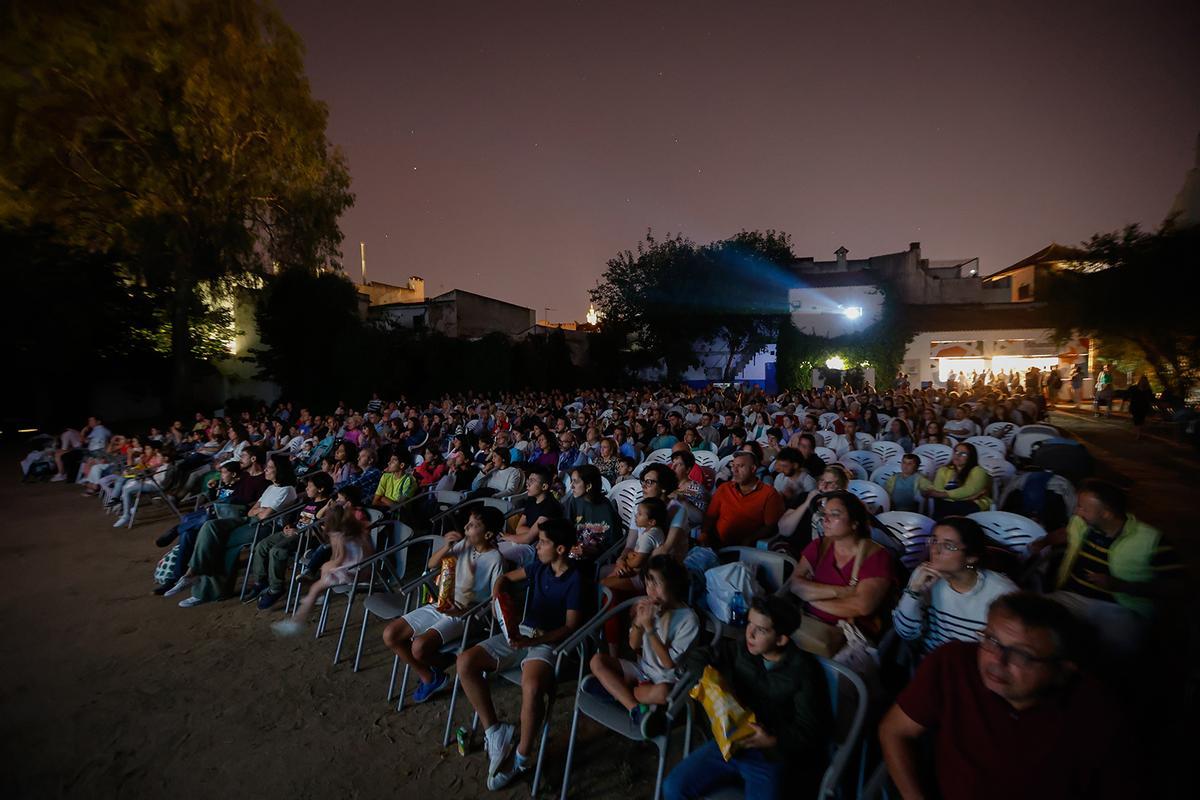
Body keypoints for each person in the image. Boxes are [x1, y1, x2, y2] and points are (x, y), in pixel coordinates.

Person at [879, 592, 1135, 800]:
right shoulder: (953, 664)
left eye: (1021, 655)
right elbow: (894, 730)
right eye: (991, 640)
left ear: (1062, 671)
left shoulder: (1094, 709)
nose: (997, 661)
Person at [456, 519, 586, 791]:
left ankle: (522, 758)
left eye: (544, 542)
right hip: (521, 632)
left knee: (532, 685)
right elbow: (504, 578)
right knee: (465, 661)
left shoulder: (575, 579)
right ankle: (495, 730)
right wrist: (497, 599)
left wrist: (532, 641)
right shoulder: (539, 567)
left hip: (547, 641)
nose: (537, 546)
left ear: (561, 549)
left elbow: (570, 626)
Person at [664, 595, 831, 800]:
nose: (749, 633)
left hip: (769, 757)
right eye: (749, 623)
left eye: (760, 630)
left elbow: (810, 731)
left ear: (781, 639)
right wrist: (710, 682)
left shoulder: (803, 671)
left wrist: (773, 740)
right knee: (674, 787)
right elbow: (699, 656)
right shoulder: (743, 649)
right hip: (731, 743)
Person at [1038, 479, 1181, 661]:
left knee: (1114, 650)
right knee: (1036, 621)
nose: (1076, 512)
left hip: (1121, 609)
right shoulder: (1081, 523)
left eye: (1083, 508)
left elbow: (1178, 587)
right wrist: (1041, 542)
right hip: (1071, 597)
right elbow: (1065, 533)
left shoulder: (1151, 540)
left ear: (1106, 514)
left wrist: (1122, 586)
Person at [381, 506, 506, 702]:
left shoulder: (495, 559)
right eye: (468, 522)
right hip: (442, 604)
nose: (466, 526)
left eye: (473, 525)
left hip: (468, 614)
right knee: (391, 635)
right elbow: (431, 565)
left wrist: (464, 610)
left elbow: (494, 600)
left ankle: (442, 663)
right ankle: (430, 676)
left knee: (419, 648)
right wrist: (447, 546)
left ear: (488, 533)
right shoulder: (463, 545)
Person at [168, 452, 298, 607]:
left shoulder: (287, 490)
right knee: (210, 526)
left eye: (270, 468)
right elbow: (252, 511)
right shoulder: (271, 488)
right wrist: (261, 509)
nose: (266, 470)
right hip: (250, 520)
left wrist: (260, 510)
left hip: (266, 527)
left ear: (280, 470)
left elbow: (264, 516)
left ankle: (203, 590)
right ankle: (193, 572)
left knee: (219, 544)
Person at [588, 555, 700, 730]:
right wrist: (638, 623)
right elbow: (633, 645)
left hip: (665, 680)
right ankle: (635, 708)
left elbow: (669, 663)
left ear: (673, 584)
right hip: (642, 670)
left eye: (656, 584)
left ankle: (617, 691)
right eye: (648, 584)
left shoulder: (689, 620)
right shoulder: (649, 608)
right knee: (597, 661)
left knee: (663, 693)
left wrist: (650, 628)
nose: (650, 591)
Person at [782, 491, 897, 657]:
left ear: (854, 523)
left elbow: (861, 606)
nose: (825, 520)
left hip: (847, 638)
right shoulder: (819, 546)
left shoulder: (876, 557)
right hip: (809, 627)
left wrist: (811, 598)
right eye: (825, 514)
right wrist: (841, 592)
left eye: (834, 515)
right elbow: (795, 583)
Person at [893, 517, 1017, 654]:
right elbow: (905, 633)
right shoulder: (924, 575)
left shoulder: (1001, 593)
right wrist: (913, 591)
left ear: (971, 557)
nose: (935, 550)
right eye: (934, 541)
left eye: (948, 546)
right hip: (934, 662)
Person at [272, 504, 376, 636]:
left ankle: (297, 622)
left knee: (317, 584)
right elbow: (369, 551)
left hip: (350, 572)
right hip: (364, 569)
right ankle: (317, 596)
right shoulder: (358, 531)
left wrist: (326, 567)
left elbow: (338, 559)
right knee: (324, 574)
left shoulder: (337, 535)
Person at [244, 471, 335, 610]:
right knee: (261, 546)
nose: (307, 489)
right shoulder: (309, 502)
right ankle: (260, 582)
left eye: (310, 486)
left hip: (306, 538)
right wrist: (290, 526)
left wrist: (298, 532)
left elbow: (323, 533)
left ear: (321, 489)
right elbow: (301, 519)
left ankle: (276, 588)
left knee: (276, 551)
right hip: (293, 532)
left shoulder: (327, 506)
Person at [701, 451, 784, 547]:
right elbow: (710, 516)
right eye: (733, 466)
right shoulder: (724, 488)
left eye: (740, 466)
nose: (734, 470)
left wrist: (751, 539)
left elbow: (770, 526)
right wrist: (704, 533)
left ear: (753, 469)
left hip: (747, 550)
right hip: (717, 543)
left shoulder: (769, 493)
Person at [498, 465, 563, 565]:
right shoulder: (532, 499)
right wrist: (531, 533)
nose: (527, 484)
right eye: (528, 480)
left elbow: (529, 539)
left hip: (535, 548)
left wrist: (510, 536)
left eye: (532, 481)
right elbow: (519, 528)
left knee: (499, 557)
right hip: (521, 540)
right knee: (490, 551)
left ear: (544, 486)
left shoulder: (550, 507)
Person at [920, 442, 992, 519]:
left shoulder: (978, 470)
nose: (957, 455)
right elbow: (938, 490)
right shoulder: (943, 470)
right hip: (949, 502)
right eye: (956, 452)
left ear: (971, 457)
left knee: (957, 507)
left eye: (963, 454)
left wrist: (944, 495)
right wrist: (969, 497)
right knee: (940, 504)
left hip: (971, 504)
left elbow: (969, 490)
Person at [563, 464, 620, 561]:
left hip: (596, 557)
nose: (571, 486)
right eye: (571, 481)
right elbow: (567, 529)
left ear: (588, 485)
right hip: (574, 549)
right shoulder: (574, 500)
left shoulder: (605, 508)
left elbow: (612, 545)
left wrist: (588, 550)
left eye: (575, 482)